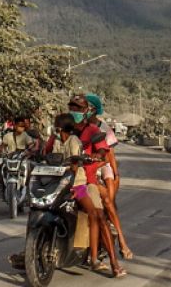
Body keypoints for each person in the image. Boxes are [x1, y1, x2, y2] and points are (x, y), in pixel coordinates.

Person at [69, 95, 126, 277]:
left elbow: (103, 150)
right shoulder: (64, 129)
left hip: (84, 182)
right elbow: (46, 148)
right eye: (72, 107)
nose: (74, 111)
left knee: (99, 215)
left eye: (78, 108)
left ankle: (113, 262)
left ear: (86, 111)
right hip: (62, 180)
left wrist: (98, 156)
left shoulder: (93, 131)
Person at [85, 93, 132, 260]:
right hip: (85, 165)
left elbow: (109, 154)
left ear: (94, 110)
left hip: (101, 164)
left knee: (107, 201)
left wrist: (114, 172)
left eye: (88, 107)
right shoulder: (78, 126)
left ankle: (121, 240)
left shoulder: (104, 128)